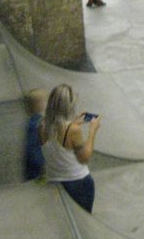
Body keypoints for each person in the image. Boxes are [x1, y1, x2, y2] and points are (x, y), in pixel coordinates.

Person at [39, 84, 102, 213]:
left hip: (54, 181)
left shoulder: (41, 125)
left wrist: (73, 122)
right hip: (78, 182)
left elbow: (57, 139)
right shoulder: (73, 130)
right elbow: (84, 158)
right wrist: (92, 131)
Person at [23, 88, 47, 181]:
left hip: (34, 166)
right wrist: (42, 163)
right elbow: (32, 147)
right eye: (45, 101)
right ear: (38, 104)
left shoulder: (35, 121)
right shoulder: (36, 124)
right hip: (37, 168)